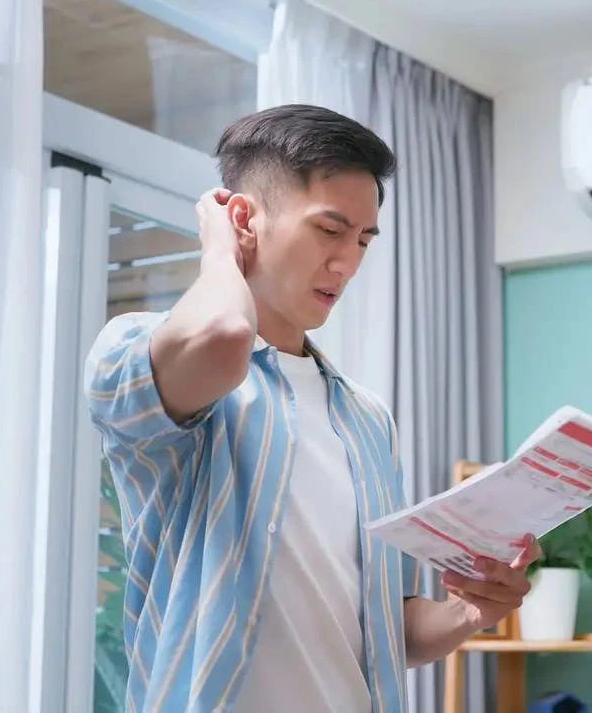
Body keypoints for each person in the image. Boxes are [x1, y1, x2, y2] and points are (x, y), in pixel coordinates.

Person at [84, 104, 539, 712]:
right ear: (242, 216)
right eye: (329, 230)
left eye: (363, 239)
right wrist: (220, 250)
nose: (347, 263)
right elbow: (223, 334)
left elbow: (382, 628)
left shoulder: (366, 417)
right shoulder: (137, 350)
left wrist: (470, 610)